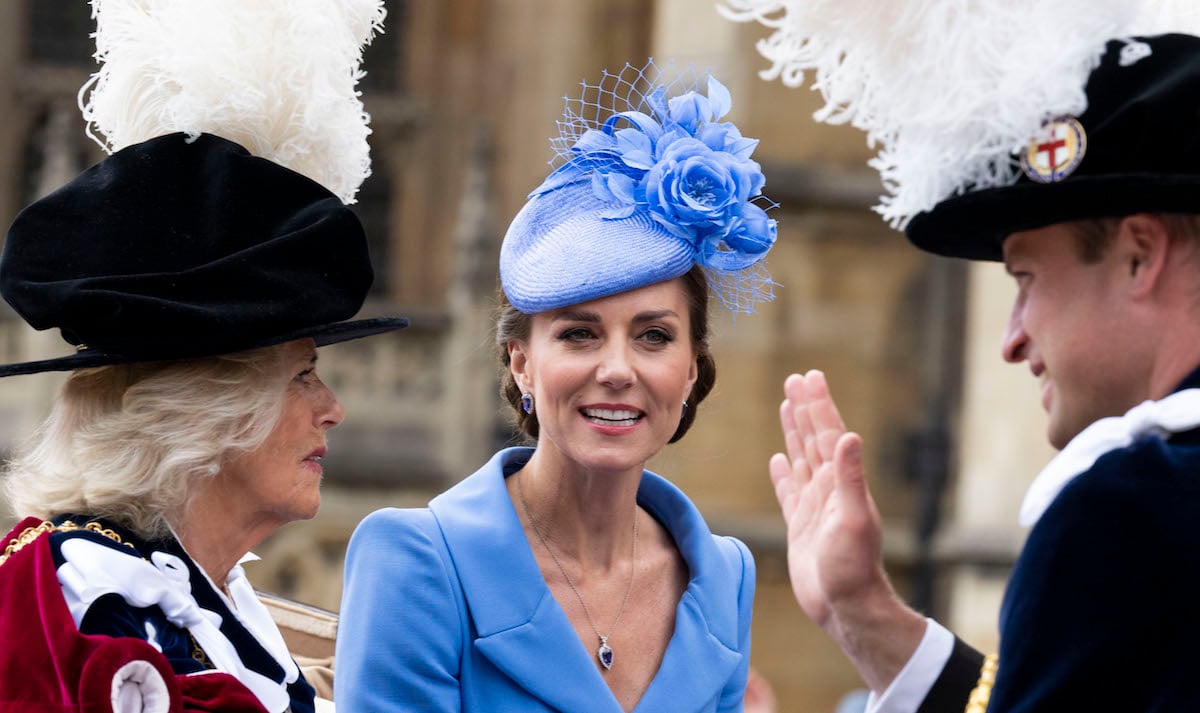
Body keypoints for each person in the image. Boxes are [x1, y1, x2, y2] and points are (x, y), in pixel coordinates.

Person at [725, 4, 1200, 711]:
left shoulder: (1128, 513)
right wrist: (864, 613)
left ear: (1138, 254)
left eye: (1026, 280)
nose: (1012, 338)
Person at [335, 61, 777, 712]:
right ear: (520, 362)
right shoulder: (416, 560)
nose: (619, 369)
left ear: (690, 369)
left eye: (654, 336)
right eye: (579, 334)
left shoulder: (724, 575)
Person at [0, 1, 399, 711]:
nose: (332, 408)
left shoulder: (201, 594)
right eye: (303, 375)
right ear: (209, 412)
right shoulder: (85, 598)